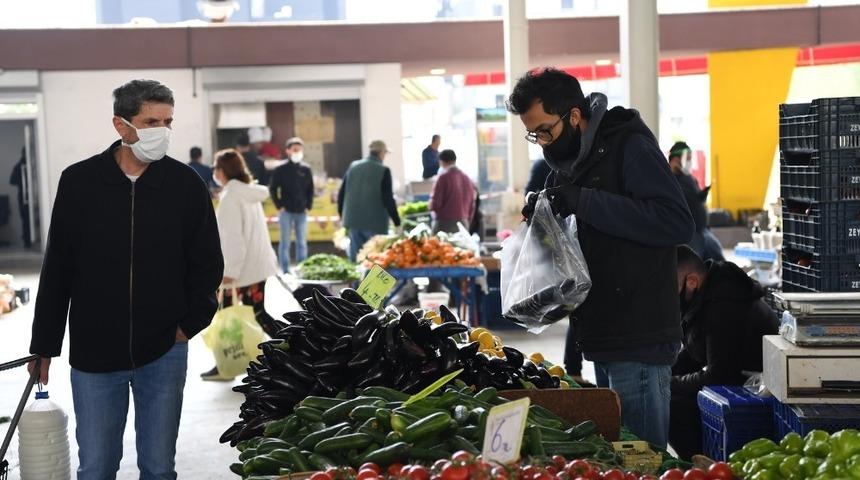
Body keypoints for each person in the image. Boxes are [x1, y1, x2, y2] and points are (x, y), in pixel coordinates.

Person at [28, 79, 224, 479]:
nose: (163, 132)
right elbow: (58, 268)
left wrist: (189, 325)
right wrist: (43, 344)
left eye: (168, 121)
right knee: (97, 467)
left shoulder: (185, 185)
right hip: (95, 355)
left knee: (157, 467)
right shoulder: (79, 182)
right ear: (121, 125)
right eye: (151, 122)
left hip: (164, 351)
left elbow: (207, 264)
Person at [509, 67, 695, 448]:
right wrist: (544, 219)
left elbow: (675, 222)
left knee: (641, 458)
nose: (542, 141)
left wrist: (585, 201)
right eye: (534, 134)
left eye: (545, 130)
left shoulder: (629, 146)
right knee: (622, 453)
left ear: (574, 116)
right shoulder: (570, 163)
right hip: (603, 333)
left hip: (639, 335)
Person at [669, 245, 779, 459]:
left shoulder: (724, 304)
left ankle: (702, 466)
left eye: (670, 288)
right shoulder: (711, 291)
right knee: (670, 392)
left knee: (673, 406)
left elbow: (720, 374)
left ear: (692, 281)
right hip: (737, 377)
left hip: (754, 391)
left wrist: (668, 383)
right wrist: (666, 374)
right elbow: (695, 351)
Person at [203, 149, 281, 380]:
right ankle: (289, 350)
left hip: (240, 272)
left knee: (231, 317)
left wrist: (229, 273)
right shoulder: (248, 193)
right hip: (257, 267)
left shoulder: (231, 198)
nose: (214, 173)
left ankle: (227, 364)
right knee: (256, 313)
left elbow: (233, 239)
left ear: (222, 171)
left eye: (216, 168)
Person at [339, 140, 401, 261]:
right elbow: (388, 198)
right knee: (375, 259)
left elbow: (342, 193)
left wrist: (343, 215)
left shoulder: (353, 166)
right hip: (375, 223)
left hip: (353, 221)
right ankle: (371, 281)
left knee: (358, 259)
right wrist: (397, 221)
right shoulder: (383, 170)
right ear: (381, 153)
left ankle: (358, 281)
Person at [668, 141, 724, 262]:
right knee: (693, 266)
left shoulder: (689, 178)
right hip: (689, 235)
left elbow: (695, 198)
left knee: (720, 263)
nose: (689, 162)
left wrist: (703, 194)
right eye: (687, 159)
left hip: (703, 231)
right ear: (676, 160)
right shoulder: (668, 180)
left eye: (690, 159)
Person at [269, 137, 314, 272]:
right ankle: (285, 269)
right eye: (295, 150)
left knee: (301, 242)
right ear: (288, 151)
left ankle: (302, 269)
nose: (297, 152)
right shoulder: (280, 169)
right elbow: (273, 188)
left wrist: (308, 206)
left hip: (301, 211)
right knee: (285, 242)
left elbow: (310, 189)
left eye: (300, 150)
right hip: (286, 211)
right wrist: (279, 205)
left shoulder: (306, 169)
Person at [429, 149, 476, 234]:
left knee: (441, 247)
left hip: (444, 224)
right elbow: (472, 204)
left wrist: (430, 207)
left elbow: (435, 204)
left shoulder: (442, 178)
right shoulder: (467, 178)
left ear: (441, 161)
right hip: (463, 224)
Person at [9, 148, 31, 248]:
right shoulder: (19, 166)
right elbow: (12, 180)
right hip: (23, 196)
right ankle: (27, 241)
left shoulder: (32, 163)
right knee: (25, 219)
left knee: (28, 219)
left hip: (30, 196)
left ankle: (29, 241)